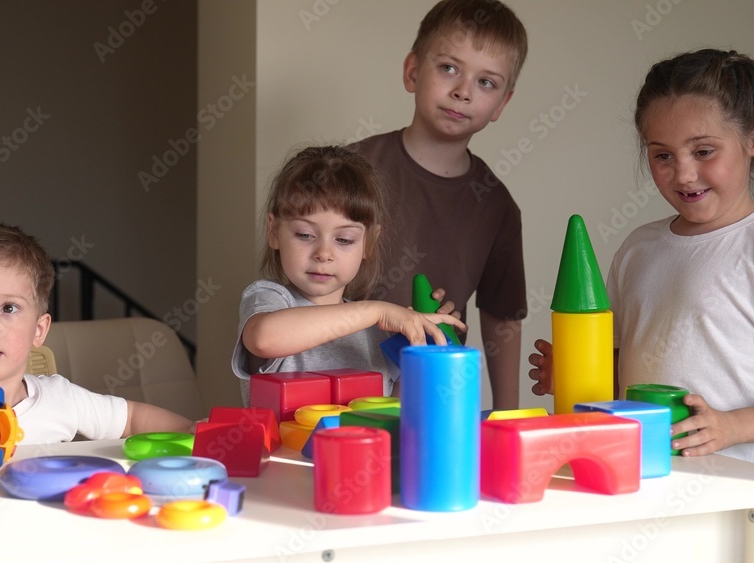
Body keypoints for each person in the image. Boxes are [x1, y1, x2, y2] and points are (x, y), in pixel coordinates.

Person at [529, 49, 754, 461]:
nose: (683, 173)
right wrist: (576, 373)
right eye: (663, 155)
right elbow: (620, 378)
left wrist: (733, 426)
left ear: (750, 140)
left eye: (704, 151)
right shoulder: (638, 248)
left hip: (735, 486)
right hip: (644, 474)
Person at [354, 0, 529, 410]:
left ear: (502, 104)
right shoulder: (350, 170)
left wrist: (508, 414)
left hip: (434, 401)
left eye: (486, 82)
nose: (463, 91)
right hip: (338, 388)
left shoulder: (497, 205)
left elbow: (502, 316)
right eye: (449, 68)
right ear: (413, 71)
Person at [231, 145, 466, 405]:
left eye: (344, 239)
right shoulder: (270, 298)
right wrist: (377, 311)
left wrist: (421, 347)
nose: (323, 253)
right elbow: (263, 339)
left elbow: (393, 411)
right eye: (305, 235)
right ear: (274, 231)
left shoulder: (374, 330)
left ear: (368, 243)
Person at [0, 220, 193, 444]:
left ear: (38, 330)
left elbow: (132, 419)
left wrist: (194, 432)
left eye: (9, 308)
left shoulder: (61, 399)